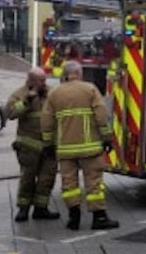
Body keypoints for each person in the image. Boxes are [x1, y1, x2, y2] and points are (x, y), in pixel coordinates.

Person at [42, 61, 120, 230]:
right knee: (94, 182)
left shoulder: (54, 93)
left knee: (69, 184)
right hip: (90, 147)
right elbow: (101, 116)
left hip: (65, 149)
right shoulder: (90, 89)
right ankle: (99, 218)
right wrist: (107, 138)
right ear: (79, 73)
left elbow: (47, 121)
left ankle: (74, 216)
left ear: (65, 74)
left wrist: (48, 144)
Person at [6, 68, 60, 222]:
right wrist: (26, 102)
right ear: (30, 80)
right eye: (40, 80)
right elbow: (10, 113)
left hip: (49, 147)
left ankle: (41, 209)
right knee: (27, 179)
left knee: (47, 179)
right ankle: (23, 209)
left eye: (44, 80)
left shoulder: (52, 93)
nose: (44, 83)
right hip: (28, 147)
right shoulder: (20, 94)